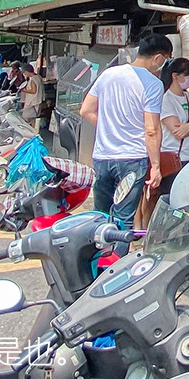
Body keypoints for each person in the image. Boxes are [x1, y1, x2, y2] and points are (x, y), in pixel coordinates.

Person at [80, 34, 171, 245]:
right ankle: (116, 267)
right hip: (131, 160)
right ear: (158, 58)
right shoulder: (152, 84)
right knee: (122, 220)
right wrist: (156, 166)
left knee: (100, 216)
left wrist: (109, 128)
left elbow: (86, 110)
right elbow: (151, 130)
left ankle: (96, 264)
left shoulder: (108, 74)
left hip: (102, 157)